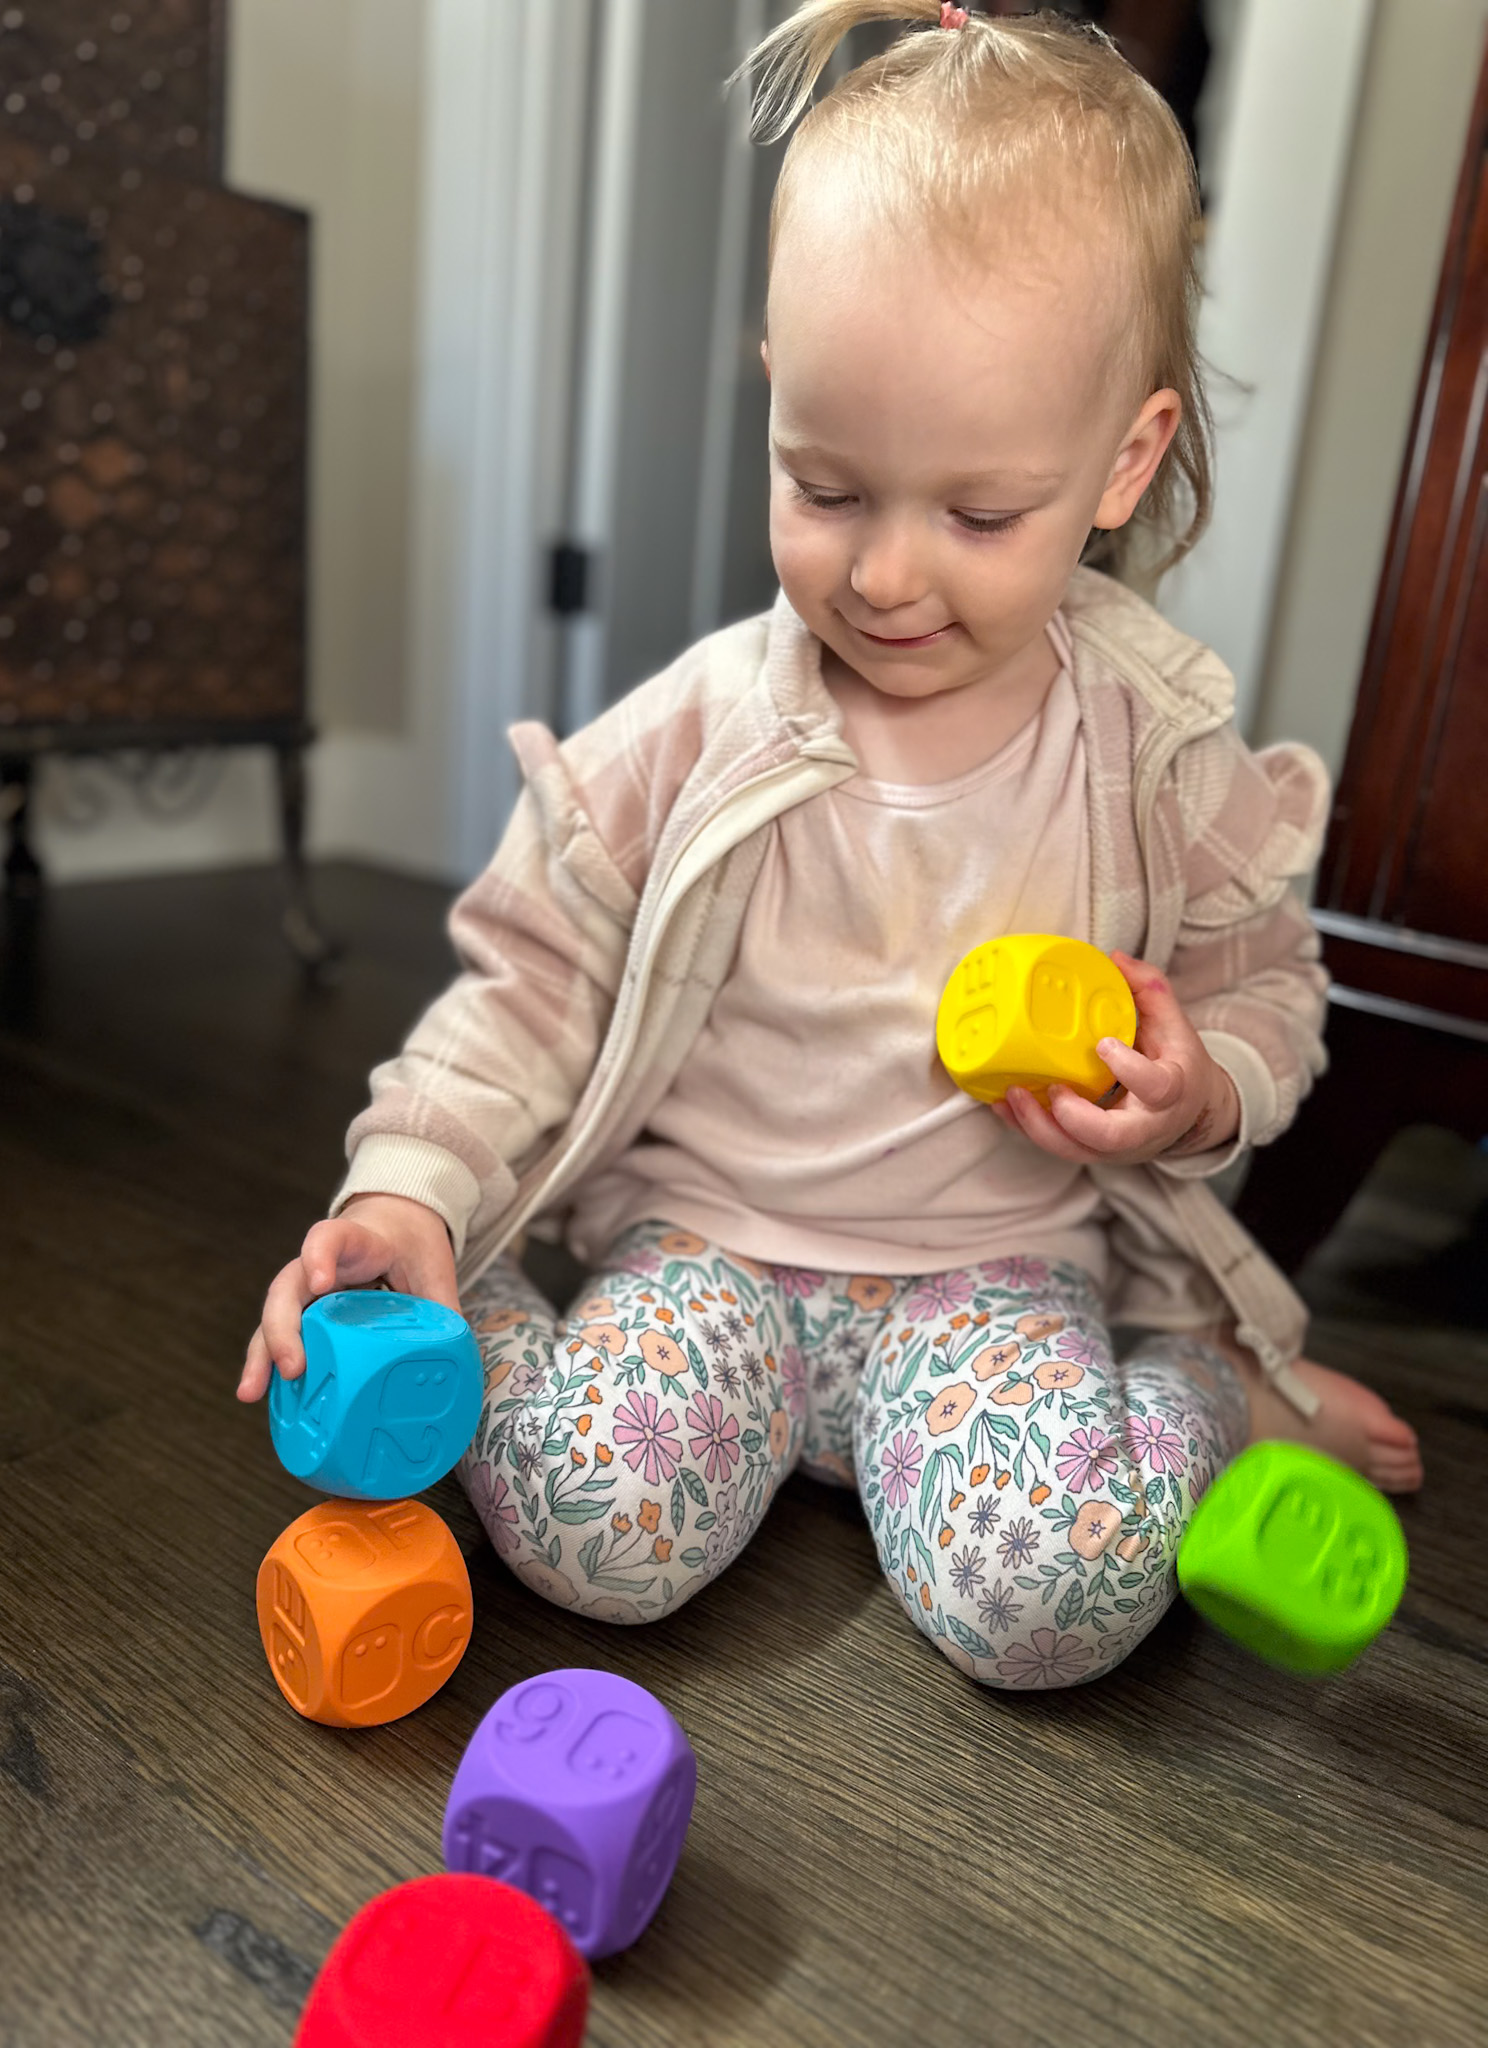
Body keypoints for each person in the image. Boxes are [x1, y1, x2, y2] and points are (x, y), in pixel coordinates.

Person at [239, 0, 1421, 1689]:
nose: (883, 574)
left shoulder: (1154, 747)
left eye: (980, 513)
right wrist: (411, 1195)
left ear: (1124, 459)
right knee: (586, 1536)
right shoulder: (701, 724)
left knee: (1056, 1607)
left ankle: (1213, 1394)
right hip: (707, 1256)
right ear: (777, 390)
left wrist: (1201, 1085)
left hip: (988, 1283)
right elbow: (529, 988)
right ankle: (467, 1308)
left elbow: (1270, 989)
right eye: (826, 486)